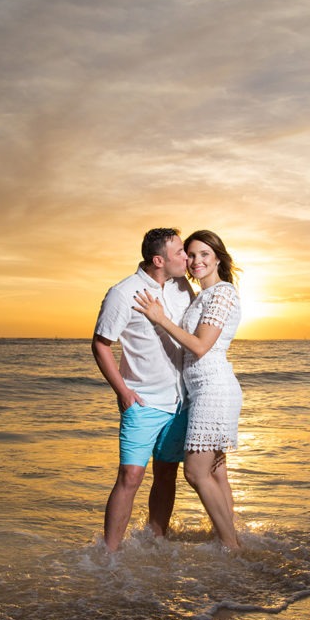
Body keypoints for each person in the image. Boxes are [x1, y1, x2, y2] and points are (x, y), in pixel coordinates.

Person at [133, 230, 243, 551]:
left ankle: (229, 545)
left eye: (204, 254)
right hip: (199, 391)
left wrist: (160, 318)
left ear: (218, 258)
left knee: (196, 473)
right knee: (216, 471)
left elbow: (199, 346)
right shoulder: (201, 297)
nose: (196, 261)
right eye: (191, 255)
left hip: (214, 390)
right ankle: (229, 536)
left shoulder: (222, 294)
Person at [92, 228, 195, 552]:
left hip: (180, 400)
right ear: (158, 260)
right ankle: (109, 555)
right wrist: (122, 392)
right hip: (144, 400)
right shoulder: (123, 293)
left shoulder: (182, 287)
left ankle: (157, 542)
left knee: (167, 474)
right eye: (180, 252)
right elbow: (100, 344)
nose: (187, 257)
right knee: (130, 476)